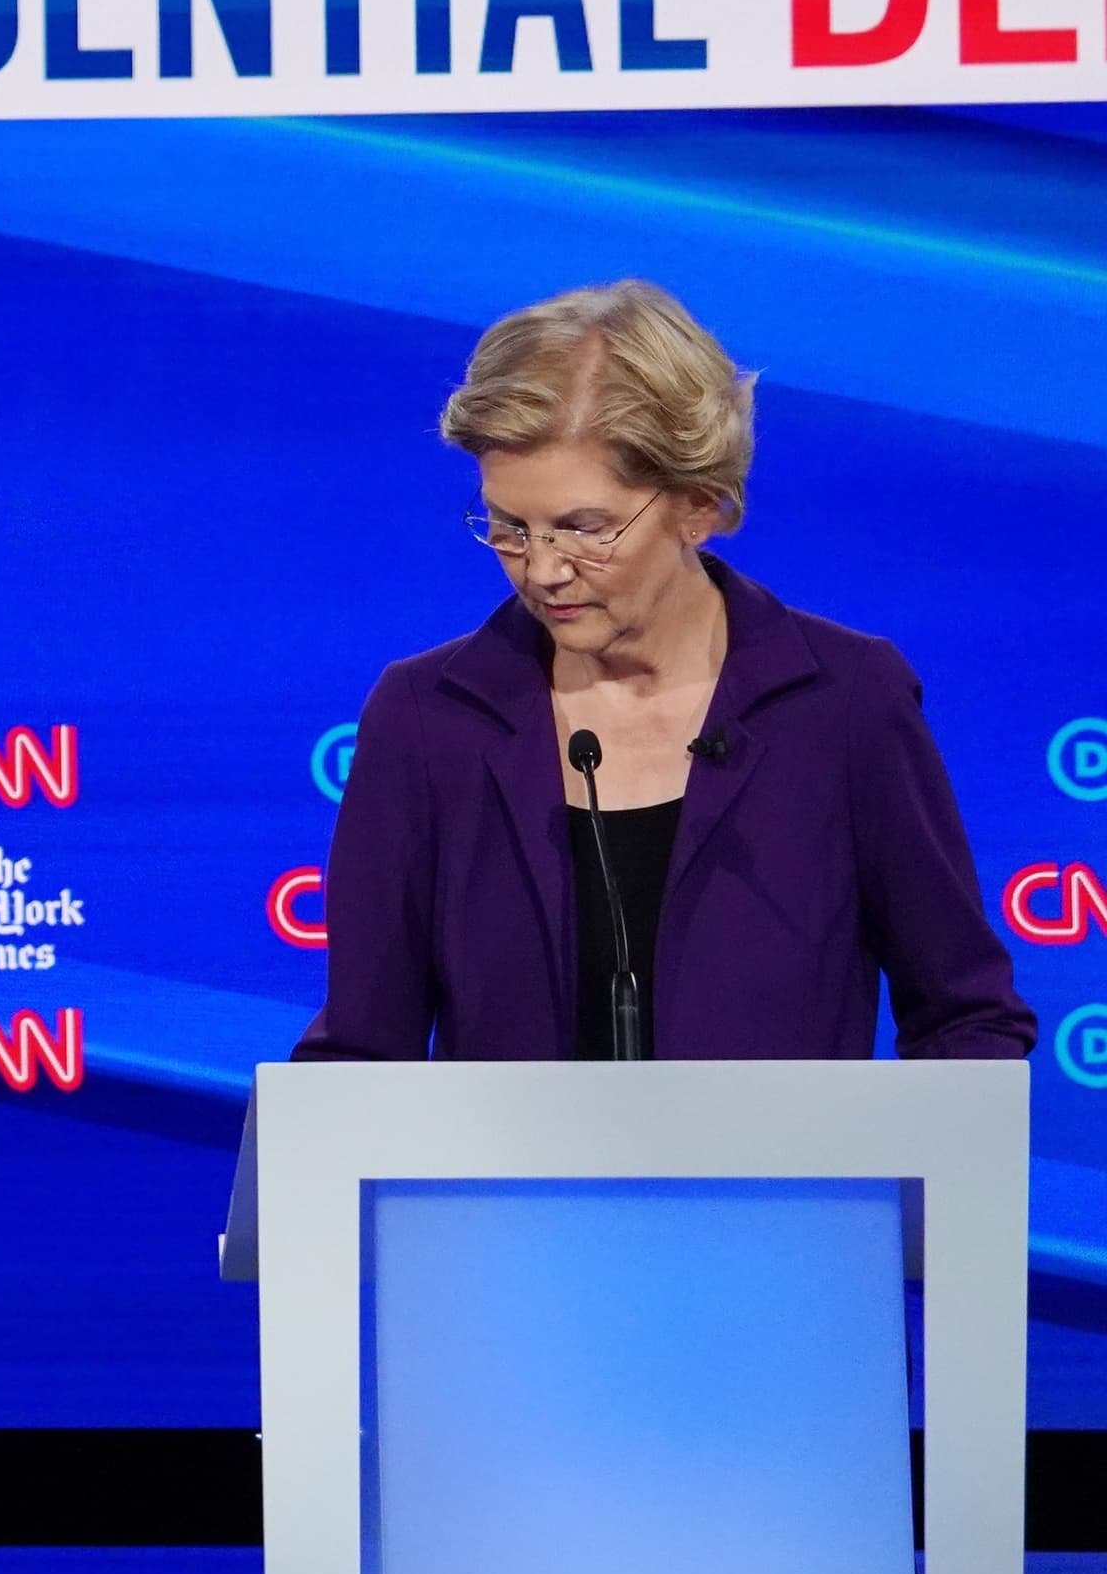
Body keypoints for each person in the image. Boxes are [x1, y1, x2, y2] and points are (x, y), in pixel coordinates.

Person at [299, 279, 1030, 1063]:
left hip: (786, 1186)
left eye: (586, 529)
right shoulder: (429, 719)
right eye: (511, 526)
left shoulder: (844, 702)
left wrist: (891, 1175)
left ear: (699, 506)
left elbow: (969, 1021)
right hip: (506, 1190)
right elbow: (361, 1058)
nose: (542, 570)